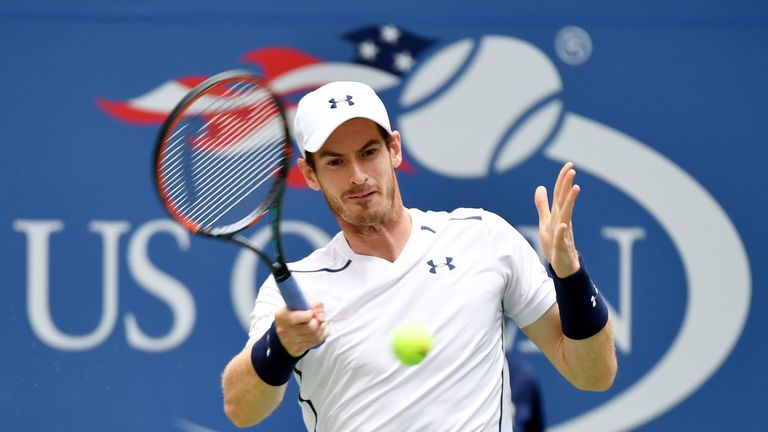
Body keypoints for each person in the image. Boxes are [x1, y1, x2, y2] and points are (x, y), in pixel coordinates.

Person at [221, 81, 616, 431]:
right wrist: (281, 343)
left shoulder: (483, 238)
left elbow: (593, 374)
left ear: (394, 149)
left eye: (369, 151)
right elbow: (240, 408)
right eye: (336, 161)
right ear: (310, 174)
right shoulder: (298, 288)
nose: (358, 175)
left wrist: (570, 276)